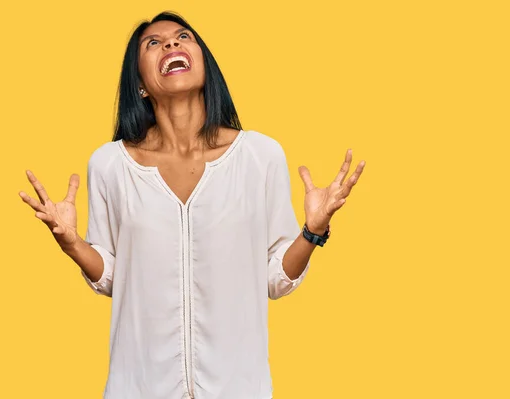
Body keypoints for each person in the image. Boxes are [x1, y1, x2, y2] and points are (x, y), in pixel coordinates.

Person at [19, 11, 365, 399]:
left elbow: (275, 279)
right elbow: (114, 276)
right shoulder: (109, 165)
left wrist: (313, 230)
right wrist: (73, 245)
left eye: (183, 37)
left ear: (204, 64)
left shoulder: (260, 156)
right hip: (138, 389)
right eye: (154, 43)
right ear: (140, 86)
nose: (171, 43)